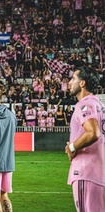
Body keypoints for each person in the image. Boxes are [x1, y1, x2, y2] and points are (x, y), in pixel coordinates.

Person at [65, 66, 105, 211]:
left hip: (87, 172)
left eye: (73, 79)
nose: (69, 82)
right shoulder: (100, 104)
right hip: (100, 172)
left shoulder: (84, 104)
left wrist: (72, 146)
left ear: (82, 83)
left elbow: (93, 133)